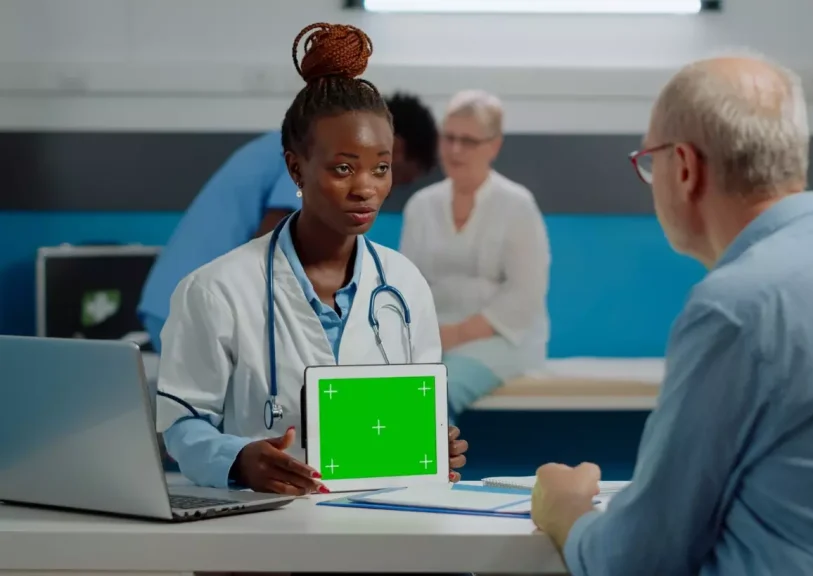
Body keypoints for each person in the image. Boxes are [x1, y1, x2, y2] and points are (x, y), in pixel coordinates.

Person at [531, 54, 813, 575]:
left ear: (686, 168)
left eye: (650, 163)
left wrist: (567, 510)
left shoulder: (738, 308)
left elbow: (635, 560)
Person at [154, 22, 468, 494]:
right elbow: (182, 424)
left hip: (379, 525)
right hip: (265, 530)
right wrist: (237, 459)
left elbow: (422, 406)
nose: (366, 187)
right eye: (343, 168)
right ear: (296, 168)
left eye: (381, 168)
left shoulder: (404, 285)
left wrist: (433, 443)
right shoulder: (216, 290)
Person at [137, 93, 438, 354]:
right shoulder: (312, 154)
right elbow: (274, 241)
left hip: (181, 299)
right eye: (394, 173)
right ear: (394, 146)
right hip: (196, 308)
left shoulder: (299, 145)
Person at [399, 90, 550, 420]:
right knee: (382, 384)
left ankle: (427, 472)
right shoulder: (421, 206)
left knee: (434, 393)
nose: (455, 150)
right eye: (449, 138)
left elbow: (525, 295)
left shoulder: (517, 205)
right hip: (432, 338)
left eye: (468, 141)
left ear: (493, 145)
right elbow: (405, 286)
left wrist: (454, 335)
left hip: (504, 340)